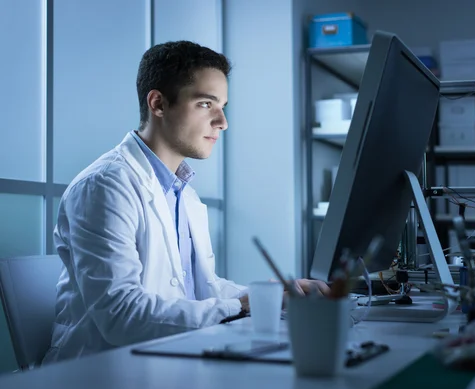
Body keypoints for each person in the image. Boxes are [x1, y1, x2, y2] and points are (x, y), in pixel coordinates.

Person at [43, 40, 330, 364]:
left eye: (223, 106)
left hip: (168, 359)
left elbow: (200, 290)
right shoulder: (105, 186)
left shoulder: (183, 193)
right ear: (158, 104)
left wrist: (270, 296)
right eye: (207, 104)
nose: (223, 122)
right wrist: (244, 305)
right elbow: (121, 316)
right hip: (101, 373)